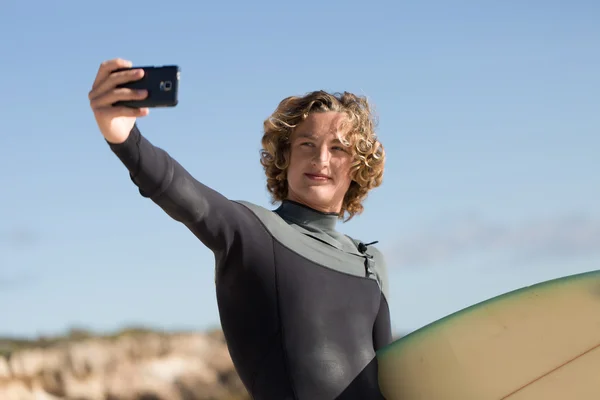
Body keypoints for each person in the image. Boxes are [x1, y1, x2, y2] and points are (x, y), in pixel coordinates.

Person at [88, 58, 392, 400]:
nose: (321, 158)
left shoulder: (369, 262)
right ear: (284, 157)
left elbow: (395, 379)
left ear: (358, 165)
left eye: (338, 148)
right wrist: (125, 140)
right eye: (307, 144)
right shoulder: (254, 234)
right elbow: (185, 195)